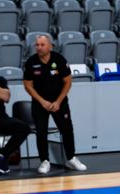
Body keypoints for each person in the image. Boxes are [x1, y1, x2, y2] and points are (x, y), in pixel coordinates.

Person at [23, 35, 87, 174]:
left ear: (50, 46)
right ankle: (44, 161)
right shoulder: (31, 62)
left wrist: (58, 101)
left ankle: (71, 158)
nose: (39, 47)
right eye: (37, 45)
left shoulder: (59, 60)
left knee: (67, 129)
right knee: (41, 131)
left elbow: (68, 82)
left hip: (59, 102)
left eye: (42, 45)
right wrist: (42, 102)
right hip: (40, 103)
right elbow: (27, 85)